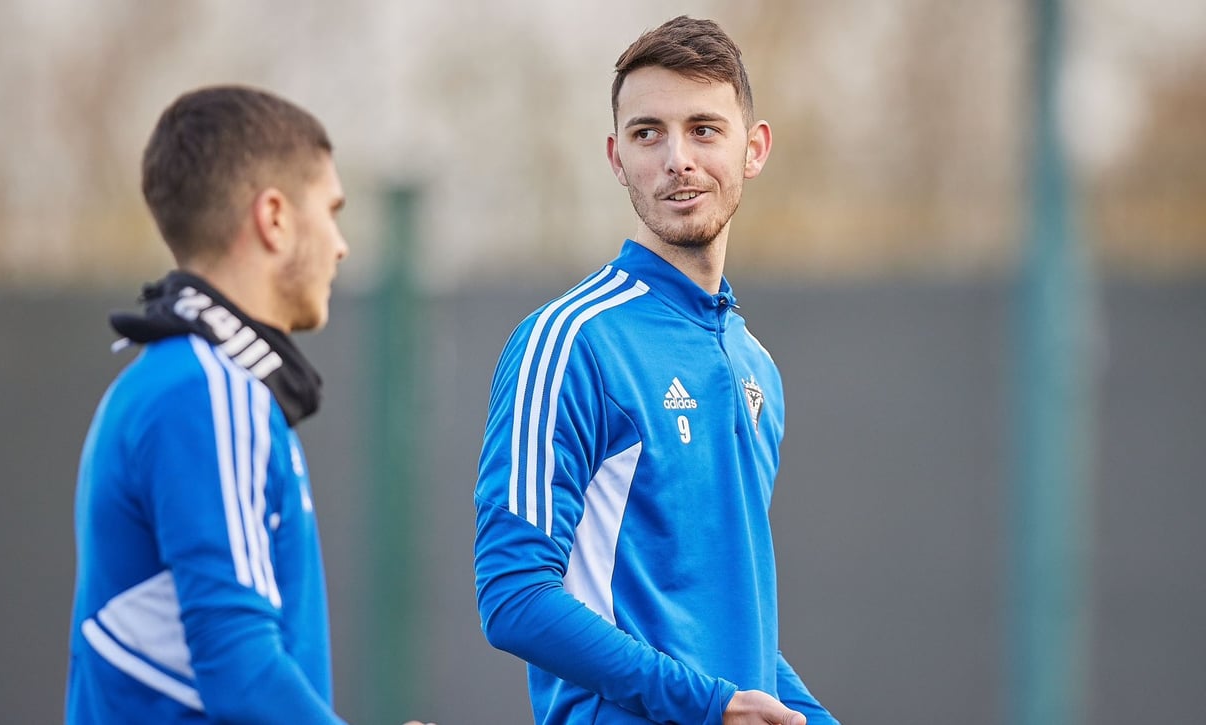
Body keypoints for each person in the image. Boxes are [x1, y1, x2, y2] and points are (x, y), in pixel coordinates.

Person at [473, 16, 839, 725]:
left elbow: (726, 637)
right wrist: (706, 704)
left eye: (704, 130)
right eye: (648, 133)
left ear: (753, 149)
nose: (678, 159)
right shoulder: (569, 341)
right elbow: (513, 595)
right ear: (617, 158)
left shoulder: (755, 366)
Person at [65, 85, 431, 725]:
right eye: (331, 210)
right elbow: (241, 672)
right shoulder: (209, 393)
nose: (341, 245)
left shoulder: (171, 381)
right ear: (275, 218)